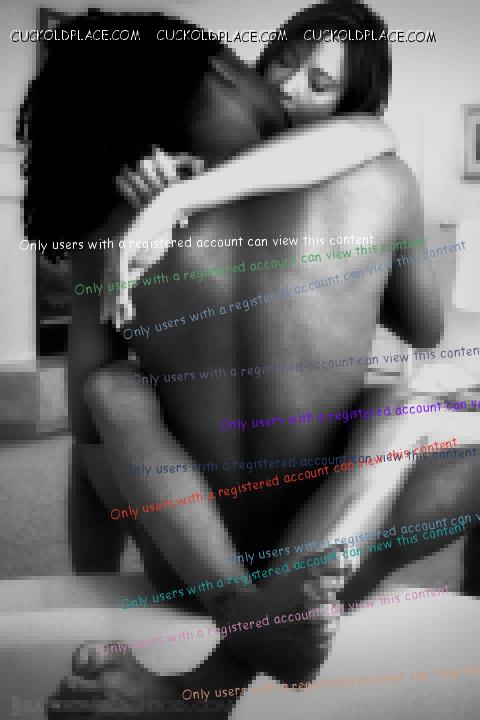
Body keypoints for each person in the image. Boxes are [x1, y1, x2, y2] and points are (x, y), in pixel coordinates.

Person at [18, 3, 450, 718]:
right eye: (279, 63)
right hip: (322, 569)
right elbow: (426, 327)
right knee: (404, 398)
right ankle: (248, 642)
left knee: (111, 392)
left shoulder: (122, 221)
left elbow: (90, 441)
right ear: (226, 68)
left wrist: (93, 589)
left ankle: (212, 636)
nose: (284, 87)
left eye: (318, 81)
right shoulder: (385, 181)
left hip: (186, 566)